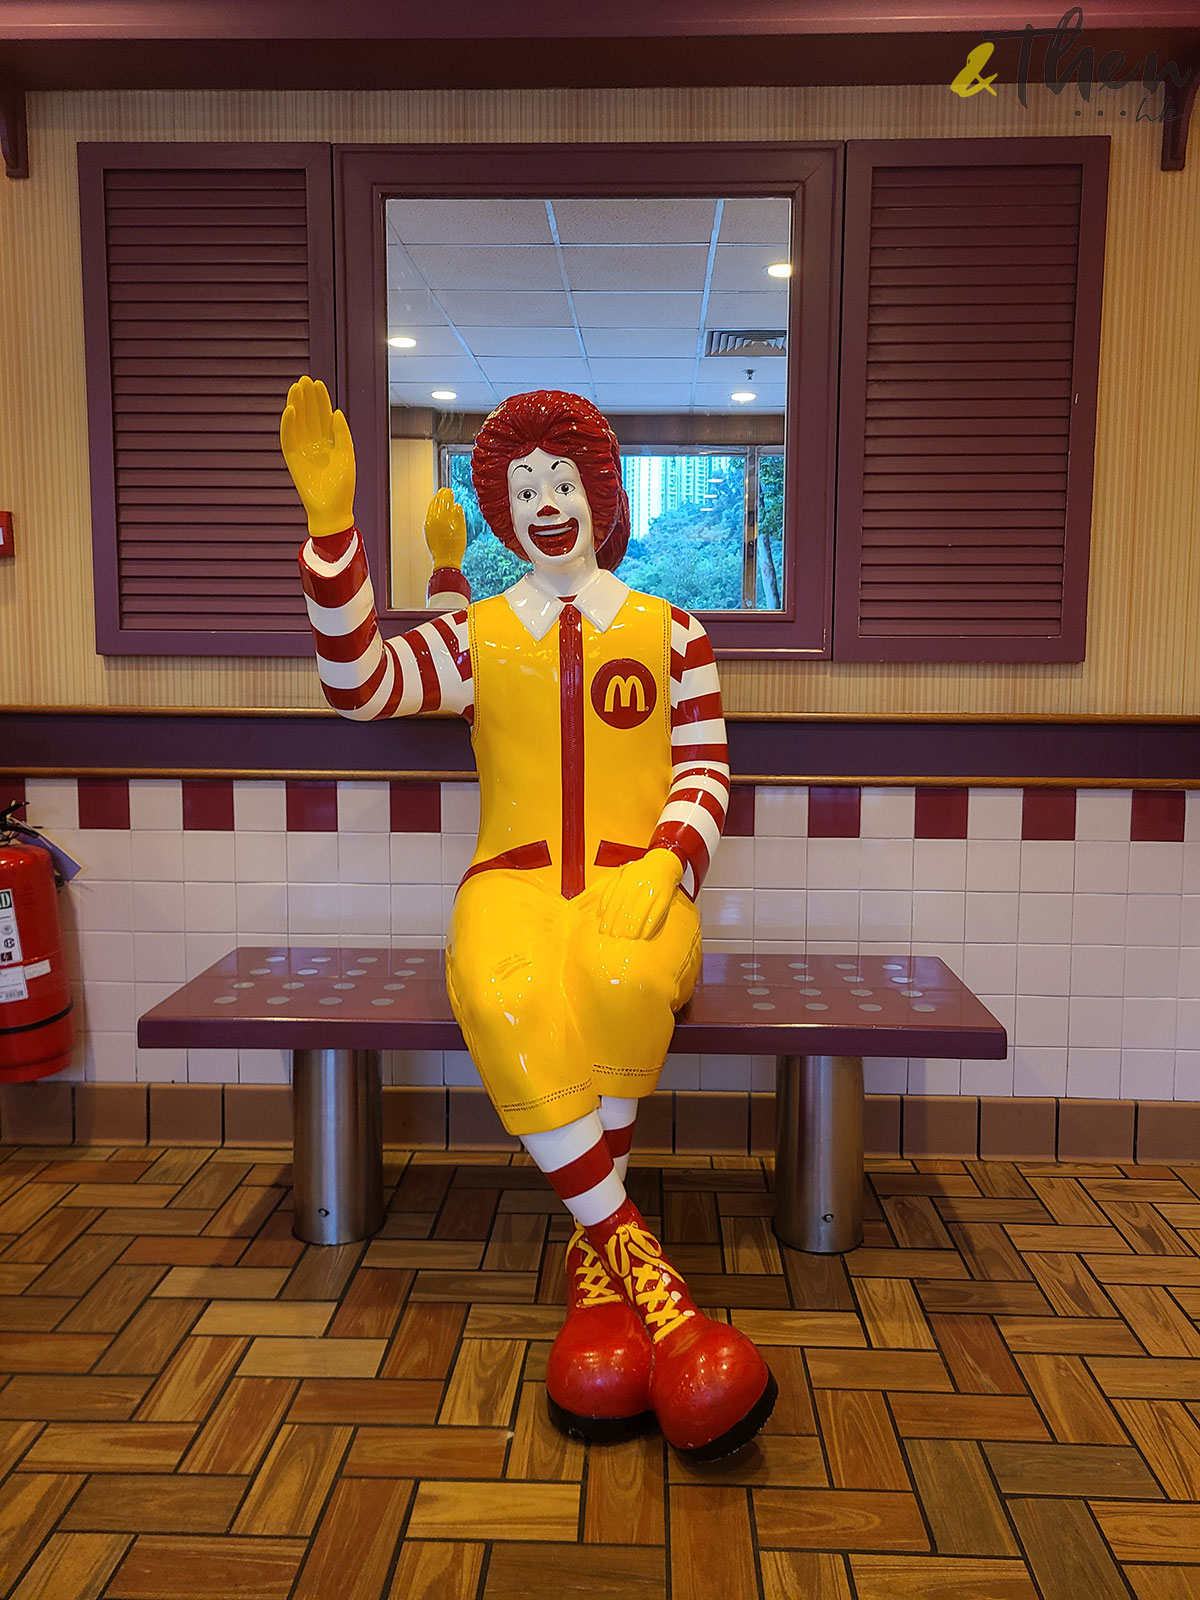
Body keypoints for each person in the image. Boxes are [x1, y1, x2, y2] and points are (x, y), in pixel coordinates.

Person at [281, 377, 775, 1459]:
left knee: (618, 980)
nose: (546, 500)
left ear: (600, 494)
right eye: (523, 485)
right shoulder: (475, 636)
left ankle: (595, 1272)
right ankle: (644, 1274)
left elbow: (706, 767)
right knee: (506, 994)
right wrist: (332, 531)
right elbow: (358, 682)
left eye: (563, 478)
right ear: (503, 510)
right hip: (506, 879)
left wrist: (669, 862)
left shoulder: (675, 631)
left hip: (636, 880)